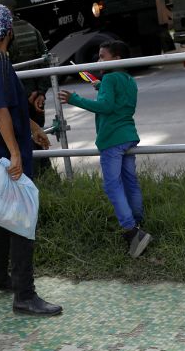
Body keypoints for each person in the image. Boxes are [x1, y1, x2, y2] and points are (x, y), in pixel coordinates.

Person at [0, 5, 62, 316]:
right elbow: (0, 111)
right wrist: (14, 151)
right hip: (2, 150)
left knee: (4, 214)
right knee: (22, 217)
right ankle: (25, 294)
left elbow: (11, 107)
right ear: (8, 31)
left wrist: (34, 128)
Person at [58, 40, 152, 258]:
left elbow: (106, 107)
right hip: (129, 136)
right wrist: (101, 87)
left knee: (112, 185)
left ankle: (131, 232)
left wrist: (75, 99)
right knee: (130, 181)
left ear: (117, 59)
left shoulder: (109, 78)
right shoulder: (128, 79)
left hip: (112, 140)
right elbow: (120, 103)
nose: (98, 60)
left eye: (102, 56)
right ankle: (138, 222)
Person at [0, 0, 51, 174]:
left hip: (13, 99)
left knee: (17, 143)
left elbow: (3, 71)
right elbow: (45, 61)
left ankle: (28, 180)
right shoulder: (32, 29)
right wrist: (40, 92)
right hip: (35, 96)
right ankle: (47, 177)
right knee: (39, 139)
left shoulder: (0, 35)